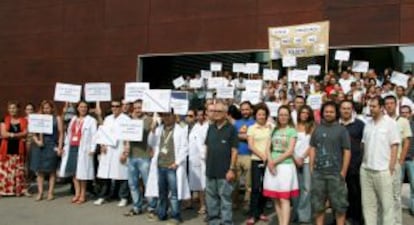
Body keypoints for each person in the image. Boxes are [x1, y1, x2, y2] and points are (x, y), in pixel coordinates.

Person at [146, 109, 191, 225]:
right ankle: (162, 214)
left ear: (173, 116)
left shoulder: (180, 130)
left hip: (172, 166)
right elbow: (151, 142)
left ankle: (176, 217)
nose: (165, 118)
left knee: (174, 194)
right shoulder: (159, 129)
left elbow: (184, 148)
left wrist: (177, 163)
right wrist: (152, 130)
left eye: (168, 115)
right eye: (163, 115)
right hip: (160, 165)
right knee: (162, 193)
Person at [309, 101, 351, 225]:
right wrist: (311, 167)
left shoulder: (342, 130)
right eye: (326, 111)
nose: (329, 114)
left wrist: (343, 172)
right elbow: (312, 148)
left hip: (336, 174)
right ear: (322, 113)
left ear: (336, 113)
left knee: (340, 207)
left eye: (331, 112)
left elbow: (347, 151)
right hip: (319, 174)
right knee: (318, 207)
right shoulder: (317, 129)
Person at [360, 96, 400, 225]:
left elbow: (394, 146)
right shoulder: (368, 124)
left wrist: (391, 168)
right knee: (368, 206)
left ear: (381, 107)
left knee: (387, 206)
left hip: (383, 171)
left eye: (374, 106)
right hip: (366, 170)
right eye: (370, 106)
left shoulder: (391, 124)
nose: (371, 109)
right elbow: (363, 145)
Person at [262, 105, 299, 225]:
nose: (283, 117)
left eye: (285, 115)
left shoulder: (292, 131)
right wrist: (270, 162)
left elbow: (289, 151)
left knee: (284, 198)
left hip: (285, 166)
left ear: (289, 117)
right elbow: (267, 147)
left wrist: (274, 162)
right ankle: (280, 222)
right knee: (275, 197)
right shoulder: (274, 130)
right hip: (272, 165)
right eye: (281, 114)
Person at [205, 101, 238, 225]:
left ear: (225, 113)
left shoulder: (231, 129)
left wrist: (232, 169)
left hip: (225, 171)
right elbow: (207, 147)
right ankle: (214, 220)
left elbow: (234, 151)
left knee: (225, 199)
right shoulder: (211, 127)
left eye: (219, 111)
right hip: (210, 170)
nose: (215, 114)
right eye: (214, 111)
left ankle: (226, 222)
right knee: (211, 199)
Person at [59, 100, 97, 204]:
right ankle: (77, 193)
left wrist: (93, 148)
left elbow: (94, 135)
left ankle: (83, 195)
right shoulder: (74, 119)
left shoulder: (91, 120)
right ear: (77, 108)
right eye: (81, 107)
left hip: (84, 149)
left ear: (87, 109)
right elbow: (68, 134)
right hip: (72, 147)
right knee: (74, 172)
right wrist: (64, 147)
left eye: (85, 107)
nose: (83, 109)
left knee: (83, 173)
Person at [123, 100, 157, 216]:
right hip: (132, 156)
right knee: (133, 184)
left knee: (148, 183)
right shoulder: (129, 120)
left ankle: (152, 207)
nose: (138, 110)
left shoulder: (150, 120)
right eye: (136, 108)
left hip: (145, 156)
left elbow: (154, 138)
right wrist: (125, 148)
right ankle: (137, 207)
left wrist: (154, 127)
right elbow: (125, 136)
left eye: (140, 107)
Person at [94, 99, 130, 207]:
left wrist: (125, 152)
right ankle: (103, 196)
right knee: (105, 175)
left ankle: (123, 197)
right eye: (113, 106)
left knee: (122, 174)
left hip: (119, 149)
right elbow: (103, 132)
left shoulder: (126, 119)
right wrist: (102, 145)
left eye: (117, 106)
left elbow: (128, 137)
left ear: (121, 107)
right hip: (107, 150)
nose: (114, 108)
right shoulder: (108, 119)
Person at [384, 95, 412, 225]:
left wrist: (401, 161)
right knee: (384, 194)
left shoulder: (403, 121)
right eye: (387, 103)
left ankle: (397, 222)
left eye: (391, 103)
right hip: (383, 163)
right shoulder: (382, 120)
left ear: (396, 105)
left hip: (396, 163)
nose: (389, 105)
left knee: (395, 195)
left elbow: (406, 141)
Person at [30, 100, 64, 201]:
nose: (46, 110)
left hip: (51, 145)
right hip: (39, 146)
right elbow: (33, 133)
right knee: (39, 170)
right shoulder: (38, 118)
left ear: (52, 108)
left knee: (51, 170)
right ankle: (40, 193)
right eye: (44, 108)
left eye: (48, 108)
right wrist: (37, 141)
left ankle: (50, 192)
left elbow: (61, 133)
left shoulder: (57, 118)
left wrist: (60, 147)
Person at [339, 100, 365, 225]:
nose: (346, 110)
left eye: (348, 108)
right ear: (340, 110)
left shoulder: (360, 125)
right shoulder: (335, 124)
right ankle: (340, 219)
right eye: (343, 108)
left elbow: (364, 145)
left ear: (352, 110)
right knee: (338, 195)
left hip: (355, 165)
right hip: (337, 165)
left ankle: (356, 218)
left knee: (355, 193)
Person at [246, 103, 272, 224]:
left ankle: (260, 212)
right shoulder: (252, 128)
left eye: (263, 114)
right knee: (255, 188)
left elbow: (271, 142)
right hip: (256, 160)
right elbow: (250, 145)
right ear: (255, 116)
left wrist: (267, 156)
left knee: (265, 187)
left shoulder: (271, 127)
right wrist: (261, 155)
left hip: (269, 160)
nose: (261, 116)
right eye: (259, 114)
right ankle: (252, 214)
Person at [292, 105, 315, 224]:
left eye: (307, 113)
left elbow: (312, 145)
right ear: (299, 114)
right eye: (303, 112)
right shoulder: (294, 127)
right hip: (294, 161)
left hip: (306, 161)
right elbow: (290, 145)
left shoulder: (312, 127)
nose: (305, 114)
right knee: (296, 189)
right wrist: (296, 158)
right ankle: (295, 213)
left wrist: (302, 157)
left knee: (307, 188)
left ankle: (304, 216)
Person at [0, 101, 28, 196]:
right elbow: (3, 134)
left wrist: (11, 135)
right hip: (6, 149)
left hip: (19, 149)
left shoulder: (23, 120)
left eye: (14, 108)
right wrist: (17, 135)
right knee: (6, 171)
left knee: (18, 171)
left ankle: (18, 190)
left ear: (18, 109)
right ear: (8, 109)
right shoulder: (4, 119)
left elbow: (25, 133)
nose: (12, 110)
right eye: (10, 108)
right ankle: (5, 190)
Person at [233, 101, 255, 210]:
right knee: (234, 182)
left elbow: (253, 137)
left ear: (251, 110)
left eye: (247, 109)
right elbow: (233, 137)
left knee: (248, 183)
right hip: (236, 155)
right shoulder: (236, 123)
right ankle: (234, 202)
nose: (245, 112)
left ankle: (247, 203)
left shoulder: (255, 123)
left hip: (249, 155)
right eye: (243, 110)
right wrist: (245, 136)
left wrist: (241, 136)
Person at [188, 108, 209, 214]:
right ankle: (202, 205)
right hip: (194, 159)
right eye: (199, 115)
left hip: (206, 158)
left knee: (205, 183)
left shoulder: (209, 126)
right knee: (199, 184)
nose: (200, 117)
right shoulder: (194, 127)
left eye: (202, 115)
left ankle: (207, 205)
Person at [400, 105, 414, 216]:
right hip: (399, 160)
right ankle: (395, 209)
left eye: (406, 112)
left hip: (412, 159)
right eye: (402, 112)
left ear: (410, 113)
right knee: (396, 185)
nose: (405, 114)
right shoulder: (397, 125)